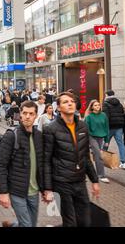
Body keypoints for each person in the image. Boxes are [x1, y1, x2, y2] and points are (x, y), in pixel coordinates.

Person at [43, 92, 100, 227]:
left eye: (72, 101)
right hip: (62, 183)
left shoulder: (83, 126)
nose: (70, 103)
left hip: (80, 181)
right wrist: (47, 188)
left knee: (85, 221)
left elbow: (86, 156)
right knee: (70, 222)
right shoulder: (50, 129)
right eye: (65, 102)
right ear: (58, 107)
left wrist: (94, 180)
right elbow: (46, 160)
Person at [0, 101, 44, 227]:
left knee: (31, 224)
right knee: (27, 225)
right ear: (20, 115)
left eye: (31, 114)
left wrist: (45, 188)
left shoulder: (39, 136)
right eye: (25, 113)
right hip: (17, 191)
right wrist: (3, 193)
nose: (27, 116)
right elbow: (1, 166)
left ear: (36, 116)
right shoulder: (12, 136)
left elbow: (41, 164)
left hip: (34, 191)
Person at [84, 100, 110, 183]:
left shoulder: (103, 115)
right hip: (92, 137)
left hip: (101, 137)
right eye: (95, 105)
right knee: (98, 155)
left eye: (98, 105)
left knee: (94, 155)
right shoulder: (89, 117)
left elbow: (106, 128)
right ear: (91, 107)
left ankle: (86, 171)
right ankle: (101, 175)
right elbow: (86, 130)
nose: (97, 106)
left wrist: (107, 140)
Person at [102, 90, 125, 169]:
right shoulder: (119, 103)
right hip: (119, 126)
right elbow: (123, 113)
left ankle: (101, 159)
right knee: (121, 144)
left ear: (106, 95)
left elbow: (106, 117)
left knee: (106, 143)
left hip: (109, 127)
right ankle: (123, 162)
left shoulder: (105, 103)